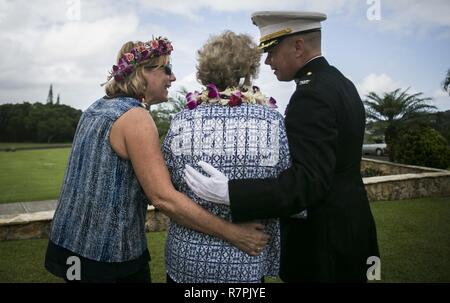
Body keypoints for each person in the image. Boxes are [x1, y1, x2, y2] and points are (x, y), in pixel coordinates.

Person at [44, 36, 269, 283]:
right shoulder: (136, 118)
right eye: (167, 70)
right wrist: (234, 234)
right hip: (109, 257)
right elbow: (163, 197)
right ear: (142, 73)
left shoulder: (96, 108)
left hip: (68, 246)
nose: (172, 78)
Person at [185, 12, 380, 282]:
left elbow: (308, 182)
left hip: (324, 241)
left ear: (298, 47)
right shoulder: (339, 83)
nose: (268, 61)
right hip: (350, 227)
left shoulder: (311, 95)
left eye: (272, 51)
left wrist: (232, 192)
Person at [162, 31, 291, 283]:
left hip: (187, 259)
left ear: (205, 70)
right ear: (248, 69)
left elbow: (169, 188)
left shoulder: (181, 120)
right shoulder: (272, 121)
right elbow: (288, 190)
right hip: (245, 260)